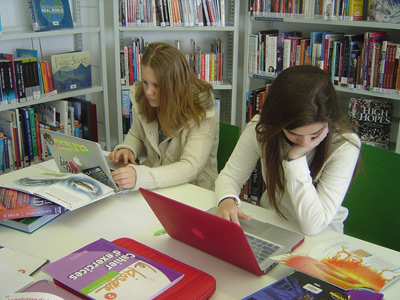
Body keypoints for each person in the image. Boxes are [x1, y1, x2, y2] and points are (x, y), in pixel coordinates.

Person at [215, 65, 361, 235]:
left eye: (316, 133)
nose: (305, 143)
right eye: (293, 133)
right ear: (277, 123)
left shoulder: (345, 144)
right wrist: (227, 199)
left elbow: (313, 226)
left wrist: (295, 159)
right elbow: (230, 176)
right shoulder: (262, 129)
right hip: (272, 223)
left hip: (324, 236)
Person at [108, 42, 219, 191]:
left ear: (174, 85)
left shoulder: (202, 112)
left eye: (156, 85)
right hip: (157, 187)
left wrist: (142, 176)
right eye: (145, 83)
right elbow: (137, 134)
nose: (148, 91)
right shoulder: (144, 98)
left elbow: (191, 167)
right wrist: (129, 149)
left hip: (194, 192)